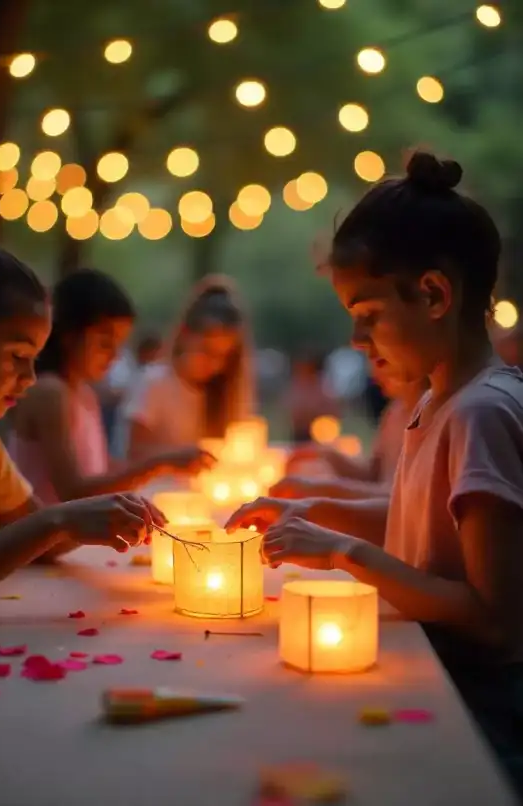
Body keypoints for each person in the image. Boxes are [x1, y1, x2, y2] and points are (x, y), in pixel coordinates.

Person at [226, 151, 523, 796]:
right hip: (436, 672)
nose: (359, 343)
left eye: (367, 315)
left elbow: (494, 619)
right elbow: (422, 523)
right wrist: (310, 514)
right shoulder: (438, 399)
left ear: (435, 293)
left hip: (481, 706)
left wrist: (341, 552)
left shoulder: (482, 415)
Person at [0, 235, 166, 625]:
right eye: (18, 357)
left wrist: (103, 516)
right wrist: (60, 520)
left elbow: (40, 539)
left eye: (35, 359)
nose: (29, 377)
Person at [10, 269, 213, 507]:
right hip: (44, 539)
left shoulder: (83, 393)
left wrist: (164, 465)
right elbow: (73, 492)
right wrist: (160, 463)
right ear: (68, 334)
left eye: (119, 344)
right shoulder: (49, 393)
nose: (114, 355)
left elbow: (102, 469)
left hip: (72, 536)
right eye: (105, 343)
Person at [124, 275, 254, 460]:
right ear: (185, 334)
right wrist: (179, 457)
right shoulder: (153, 383)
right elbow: (134, 452)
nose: (215, 364)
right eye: (207, 351)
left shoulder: (225, 393)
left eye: (224, 357)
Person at [276, 372, 426, 500]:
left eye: (383, 361)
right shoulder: (394, 410)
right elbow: (372, 474)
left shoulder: (428, 418)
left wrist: (321, 490)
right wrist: (323, 453)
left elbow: (398, 503)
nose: (374, 373)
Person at [282, 350, 338, 444]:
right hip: (299, 434)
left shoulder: (322, 387)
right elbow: (289, 410)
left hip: (320, 435)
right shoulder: (296, 386)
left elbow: (333, 411)